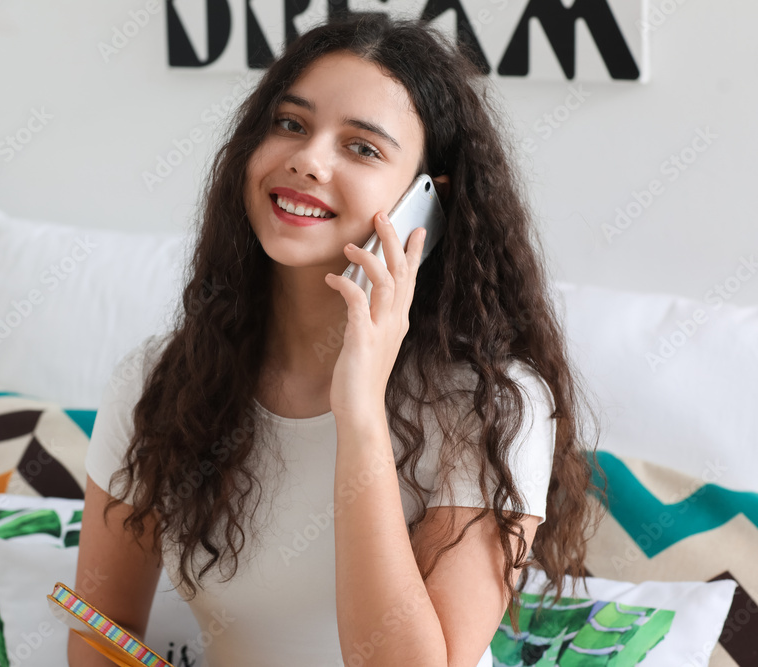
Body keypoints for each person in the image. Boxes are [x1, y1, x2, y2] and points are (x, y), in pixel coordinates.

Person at [70, 13, 603, 667]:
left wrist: (360, 412)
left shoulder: (492, 405)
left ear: (427, 203)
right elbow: (99, 630)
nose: (307, 159)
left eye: (362, 147)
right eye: (291, 124)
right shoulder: (157, 381)